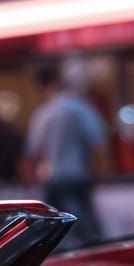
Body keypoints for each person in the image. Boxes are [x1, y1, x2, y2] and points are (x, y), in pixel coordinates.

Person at [25, 63, 108, 244]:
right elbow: (98, 143)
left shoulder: (43, 114)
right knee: (88, 233)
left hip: (54, 179)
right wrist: (98, 171)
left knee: (57, 235)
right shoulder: (81, 108)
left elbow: (33, 150)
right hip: (79, 176)